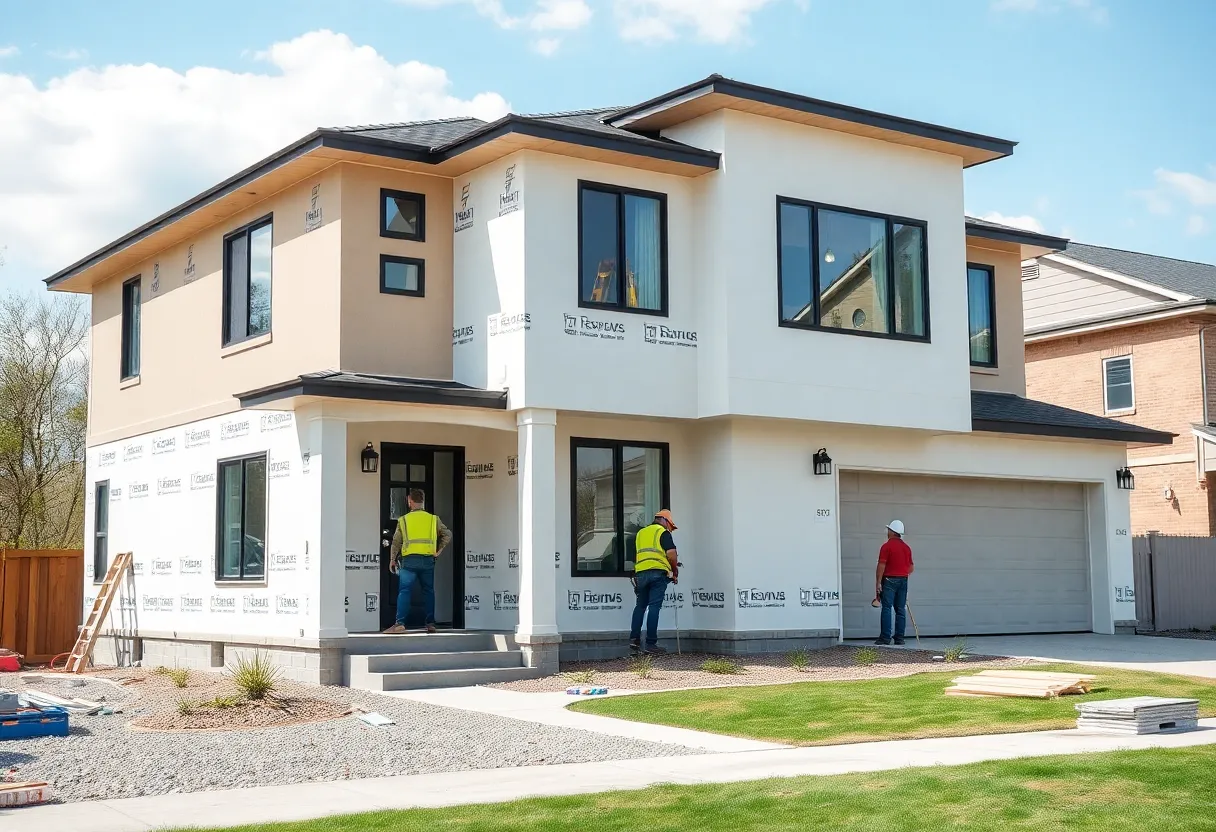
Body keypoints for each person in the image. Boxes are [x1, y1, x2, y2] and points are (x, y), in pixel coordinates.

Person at [382, 488, 452, 634]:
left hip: (409, 561)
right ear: (422, 502)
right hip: (428, 561)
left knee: (405, 591)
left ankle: (400, 624)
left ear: (409, 501)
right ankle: (430, 624)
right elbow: (447, 534)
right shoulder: (434, 519)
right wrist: (438, 550)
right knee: (428, 591)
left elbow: (396, 542)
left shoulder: (404, 520)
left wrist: (392, 559)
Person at [629, 509, 680, 654]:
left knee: (640, 607)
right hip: (658, 573)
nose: (669, 528)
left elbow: (638, 554)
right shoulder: (662, 532)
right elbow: (671, 554)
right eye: (670, 525)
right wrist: (674, 571)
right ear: (664, 520)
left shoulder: (641, 533)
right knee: (654, 607)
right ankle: (651, 644)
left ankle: (634, 640)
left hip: (640, 574)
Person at [874, 519, 913, 645]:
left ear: (892, 532)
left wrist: (878, 583)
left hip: (889, 580)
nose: (887, 532)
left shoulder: (886, 547)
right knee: (900, 609)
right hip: (903, 580)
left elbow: (881, 566)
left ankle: (885, 637)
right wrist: (902, 573)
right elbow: (911, 567)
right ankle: (899, 638)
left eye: (889, 530)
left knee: (886, 608)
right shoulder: (906, 548)